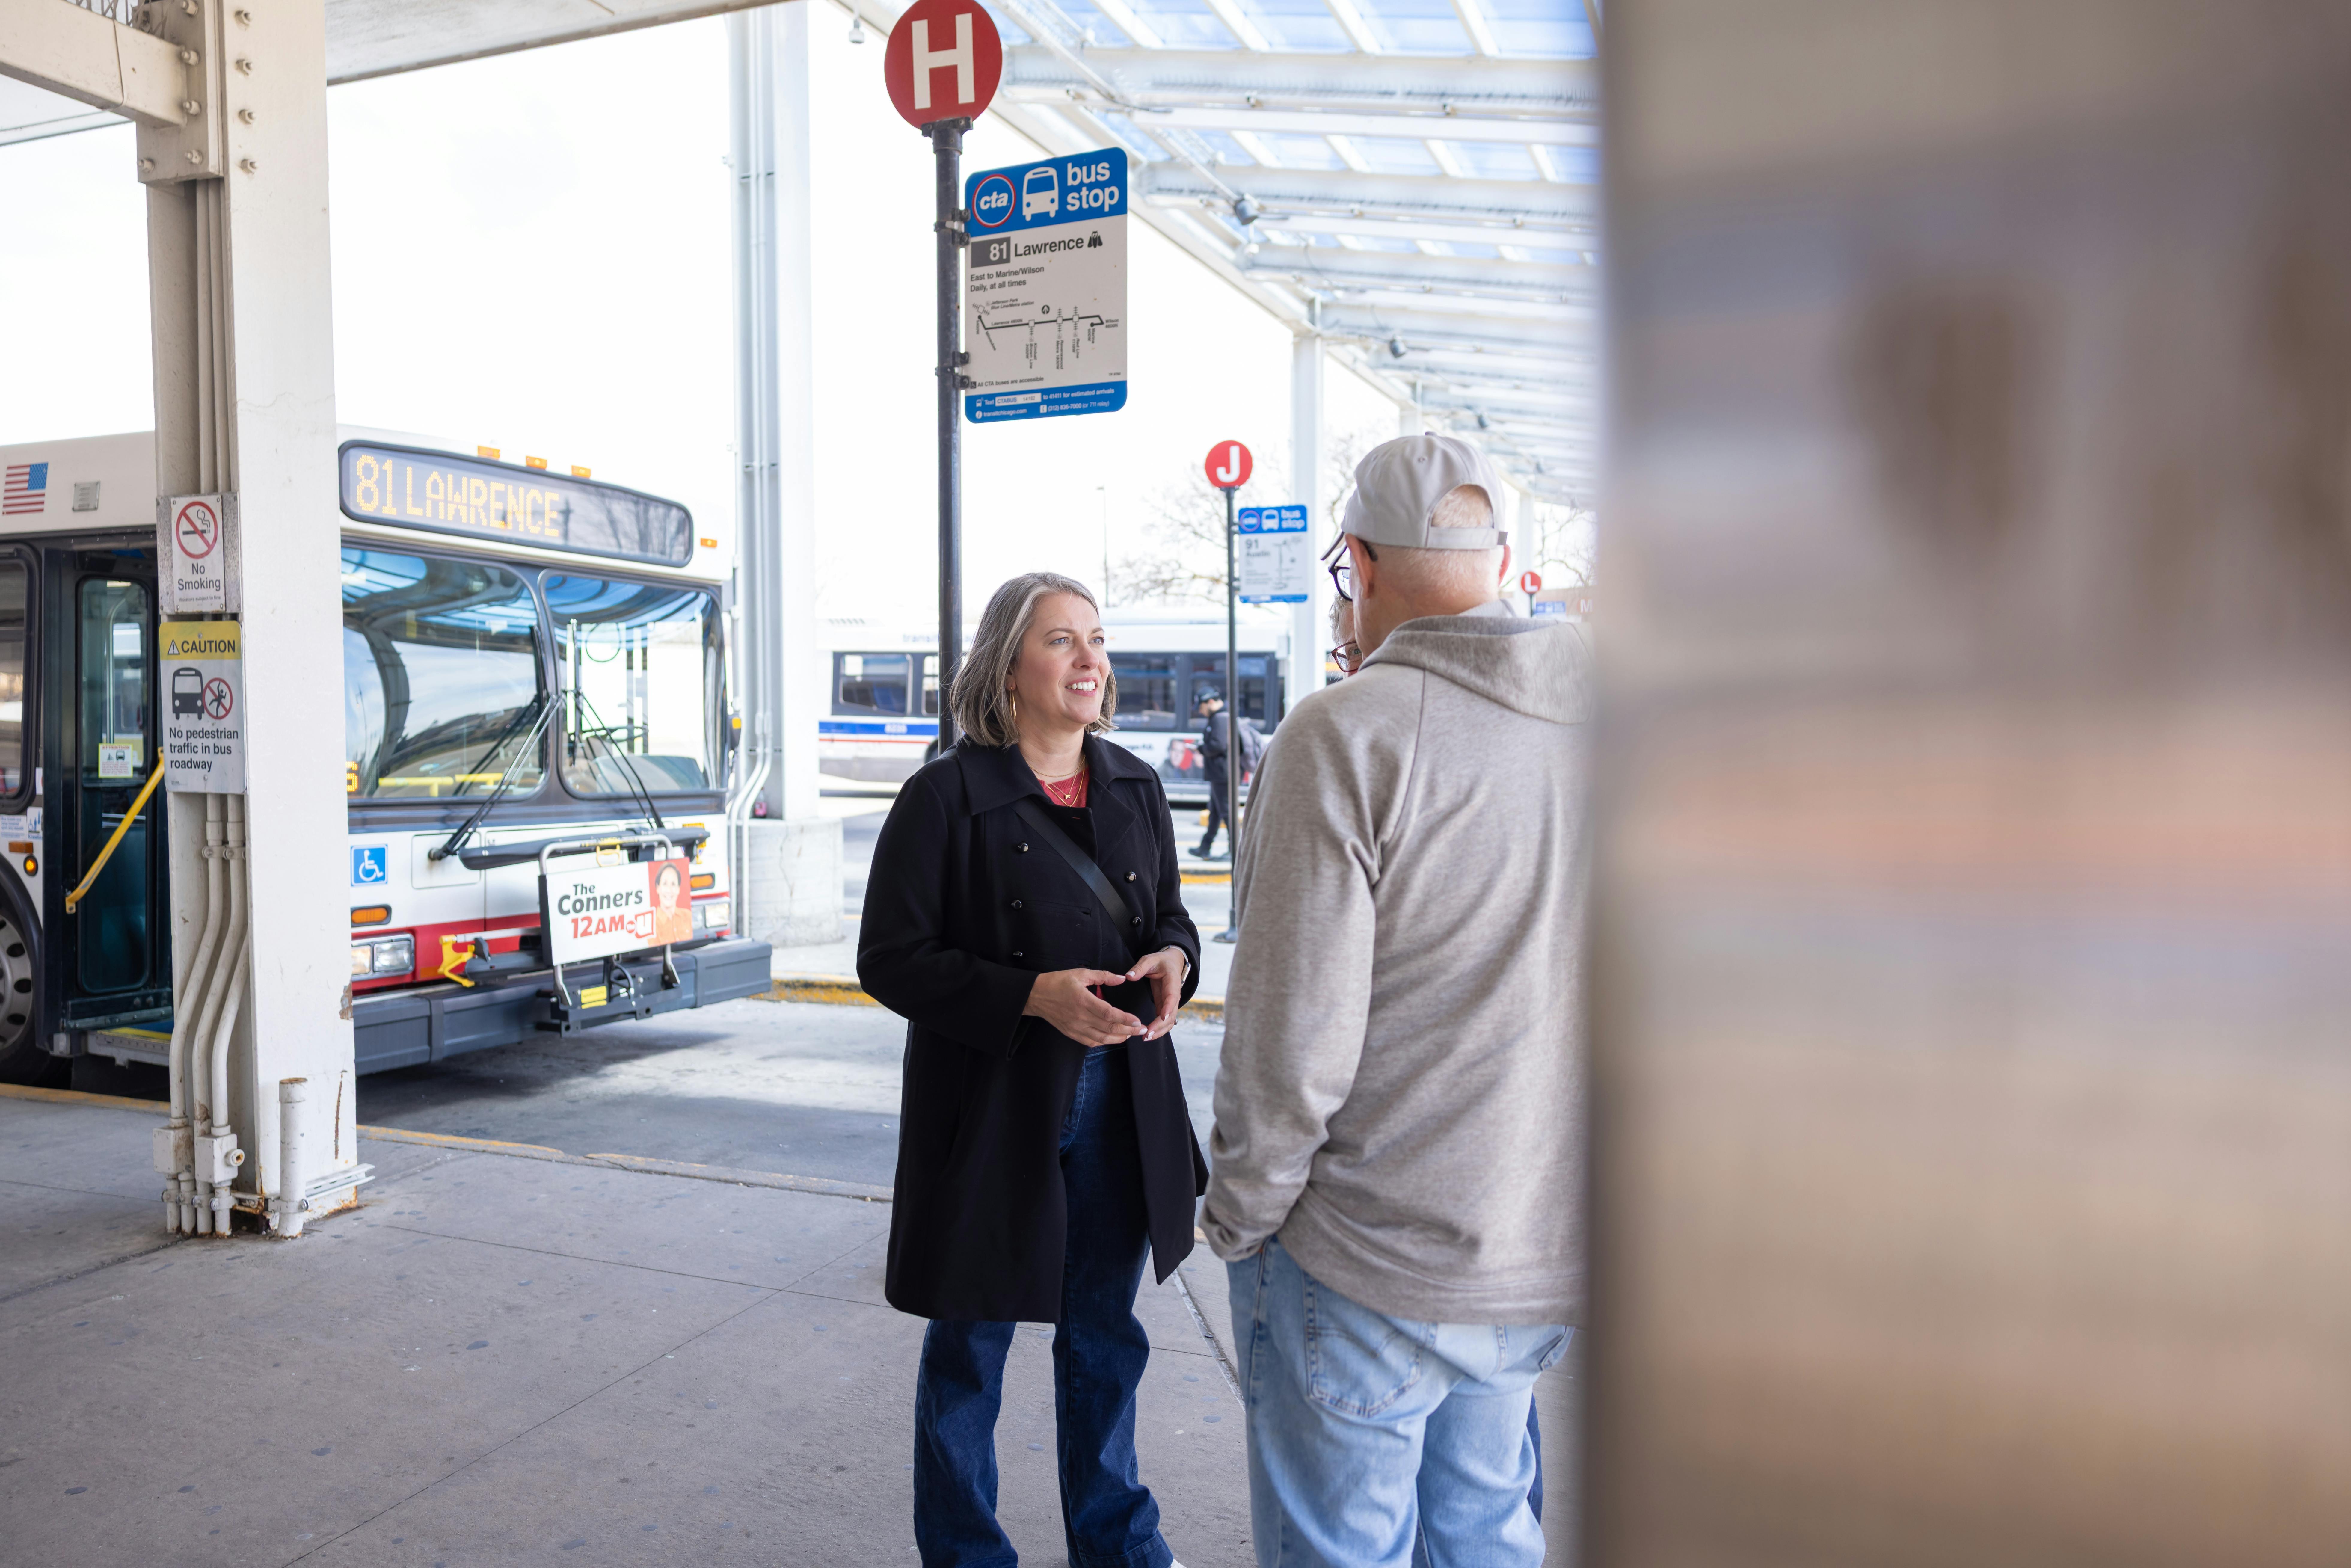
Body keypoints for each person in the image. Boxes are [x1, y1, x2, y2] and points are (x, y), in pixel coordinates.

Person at [1202, 434, 1589, 1568]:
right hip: (1542, 1247)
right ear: (1505, 558)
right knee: (1485, 1533)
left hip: (1363, 1256)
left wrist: (1237, 1216)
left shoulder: (1347, 735)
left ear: (1359, 567)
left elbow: (1289, 1044)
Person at [859, 570, 1206, 1568]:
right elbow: (889, 958)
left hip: (1123, 1101)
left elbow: (1172, 918)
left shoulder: (1136, 784)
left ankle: (1121, 1546)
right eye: (1063, 640)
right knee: (971, 1344)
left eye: (1097, 639)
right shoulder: (945, 797)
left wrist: (1177, 958)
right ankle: (968, 1554)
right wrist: (1028, 995)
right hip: (996, 1103)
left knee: (1106, 1334)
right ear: (1009, 667)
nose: (1091, 660)